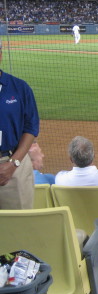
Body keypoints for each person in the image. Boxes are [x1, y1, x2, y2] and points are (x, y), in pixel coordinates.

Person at [0, 39, 40, 209]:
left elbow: (30, 128)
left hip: (13, 165)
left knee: (19, 229)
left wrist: (13, 163)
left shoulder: (20, 88)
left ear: (0, 55)